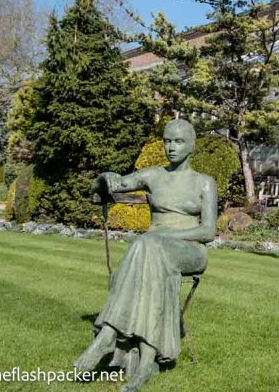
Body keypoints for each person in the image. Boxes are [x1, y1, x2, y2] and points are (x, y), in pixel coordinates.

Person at [74, 119, 217, 391]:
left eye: (178, 141)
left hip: (191, 250)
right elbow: (100, 187)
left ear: (192, 145)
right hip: (153, 252)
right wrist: (105, 177)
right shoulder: (153, 175)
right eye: (167, 141)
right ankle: (145, 363)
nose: (171, 147)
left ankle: (108, 334)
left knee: (146, 244)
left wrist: (160, 236)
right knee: (148, 250)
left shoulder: (204, 183)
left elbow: (208, 231)